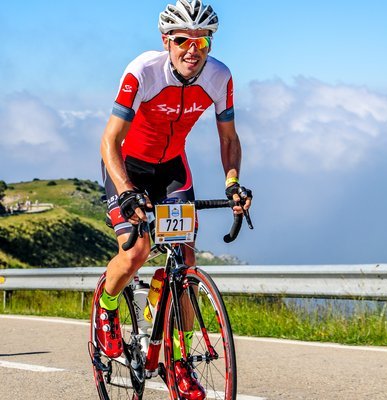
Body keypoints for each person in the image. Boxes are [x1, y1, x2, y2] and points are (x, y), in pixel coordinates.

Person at [97, 1, 253, 398]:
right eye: (183, 40)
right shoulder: (143, 71)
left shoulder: (219, 77)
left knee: (184, 266)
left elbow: (229, 139)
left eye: (202, 41)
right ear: (167, 41)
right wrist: (126, 189)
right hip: (127, 166)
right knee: (136, 252)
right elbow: (109, 141)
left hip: (171, 171)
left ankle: (179, 363)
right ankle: (107, 309)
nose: (193, 49)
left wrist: (233, 182)